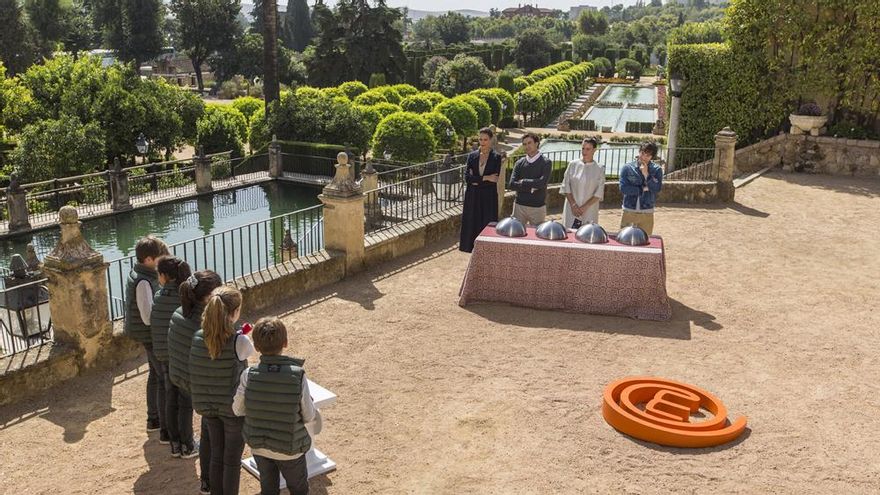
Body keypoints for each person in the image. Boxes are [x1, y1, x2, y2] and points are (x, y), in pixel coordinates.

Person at [233, 317, 322, 495]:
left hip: (259, 445)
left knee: (268, 488)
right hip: (290, 448)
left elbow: (237, 409)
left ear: (256, 347)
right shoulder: (298, 375)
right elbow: (309, 415)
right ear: (285, 343)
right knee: (299, 488)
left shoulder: (248, 375)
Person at [190, 286, 255, 495]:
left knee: (216, 455)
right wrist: (240, 333)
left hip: (208, 407)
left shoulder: (198, 337)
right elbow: (248, 353)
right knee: (232, 461)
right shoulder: (240, 341)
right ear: (235, 313)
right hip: (232, 409)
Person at [168, 270, 225, 494]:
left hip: (181, 378)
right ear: (211, 296)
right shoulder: (207, 325)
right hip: (202, 386)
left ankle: (184, 445)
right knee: (209, 432)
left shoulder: (177, 314)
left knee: (185, 409)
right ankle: (208, 481)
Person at [123, 236, 169, 437]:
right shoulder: (143, 281)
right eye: (160, 258)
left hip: (147, 333)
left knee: (154, 374)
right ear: (149, 259)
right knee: (161, 378)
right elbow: (147, 317)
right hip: (150, 335)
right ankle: (158, 420)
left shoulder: (141, 274)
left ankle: (154, 418)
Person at [152, 256, 195, 459]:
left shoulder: (159, 296)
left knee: (171, 398)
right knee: (185, 402)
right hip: (180, 356)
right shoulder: (184, 297)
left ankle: (173, 442)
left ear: (165, 276)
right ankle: (188, 445)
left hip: (163, 356)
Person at [459, 127, 502, 253]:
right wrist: (486, 178)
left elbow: (494, 180)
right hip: (472, 196)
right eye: (480, 139)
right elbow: (467, 178)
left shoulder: (496, 158)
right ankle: (470, 247)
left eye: (485, 139)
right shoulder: (472, 157)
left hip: (488, 197)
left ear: (491, 140)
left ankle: (486, 250)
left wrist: (476, 180)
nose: (482, 142)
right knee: (471, 221)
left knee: (486, 222)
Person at [561, 137, 605, 229]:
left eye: (588, 149)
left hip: (589, 210)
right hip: (571, 209)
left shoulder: (599, 169)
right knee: (569, 234)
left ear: (594, 150)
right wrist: (573, 205)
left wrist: (585, 207)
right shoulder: (572, 164)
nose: (584, 151)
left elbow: (599, 192)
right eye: (583, 148)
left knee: (587, 234)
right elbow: (566, 186)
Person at [619, 141, 663, 234]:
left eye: (648, 155)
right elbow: (623, 188)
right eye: (642, 153)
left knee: (645, 241)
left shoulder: (657, 170)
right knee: (625, 240)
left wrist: (646, 174)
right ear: (639, 151)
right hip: (629, 210)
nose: (643, 157)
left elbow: (657, 188)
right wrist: (642, 189)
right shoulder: (627, 168)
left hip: (647, 211)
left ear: (652, 157)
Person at [509, 133, 552, 226]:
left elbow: (542, 183)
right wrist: (531, 188)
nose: (527, 146)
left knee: (536, 238)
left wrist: (524, 181)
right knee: (516, 237)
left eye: (529, 143)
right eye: (524, 144)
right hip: (519, 206)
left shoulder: (546, 162)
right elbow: (512, 184)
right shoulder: (519, 163)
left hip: (538, 207)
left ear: (536, 143)